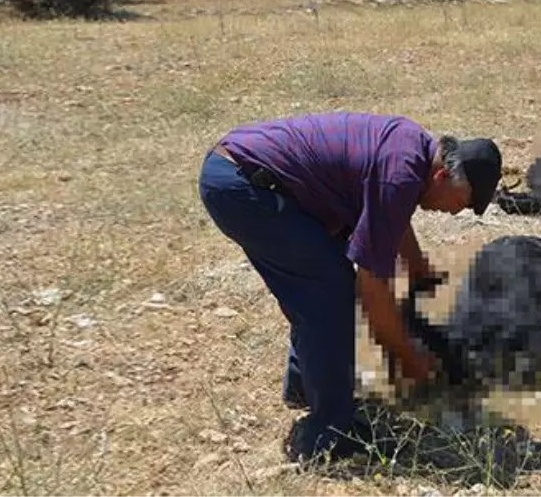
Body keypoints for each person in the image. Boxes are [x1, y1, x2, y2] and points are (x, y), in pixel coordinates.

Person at [196, 111, 503, 462]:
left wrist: (416, 265)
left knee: (320, 287)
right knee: (330, 294)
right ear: (442, 174)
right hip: (243, 185)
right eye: (461, 202)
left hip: (245, 173)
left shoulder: (413, 149)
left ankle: (307, 386)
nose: (455, 213)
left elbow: (390, 214)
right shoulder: (400, 176)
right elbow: (373, 292)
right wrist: (405, 357)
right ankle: (328, 436)